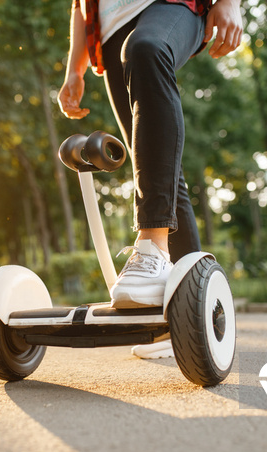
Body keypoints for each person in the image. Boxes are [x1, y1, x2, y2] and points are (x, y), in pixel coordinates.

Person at [58, 0, 242, 358]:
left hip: (172, 6)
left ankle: (152, 248)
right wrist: (74, 70)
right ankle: (190, 317)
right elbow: (79, 6)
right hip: (111, 31)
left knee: (146, 48)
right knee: (160, 167)